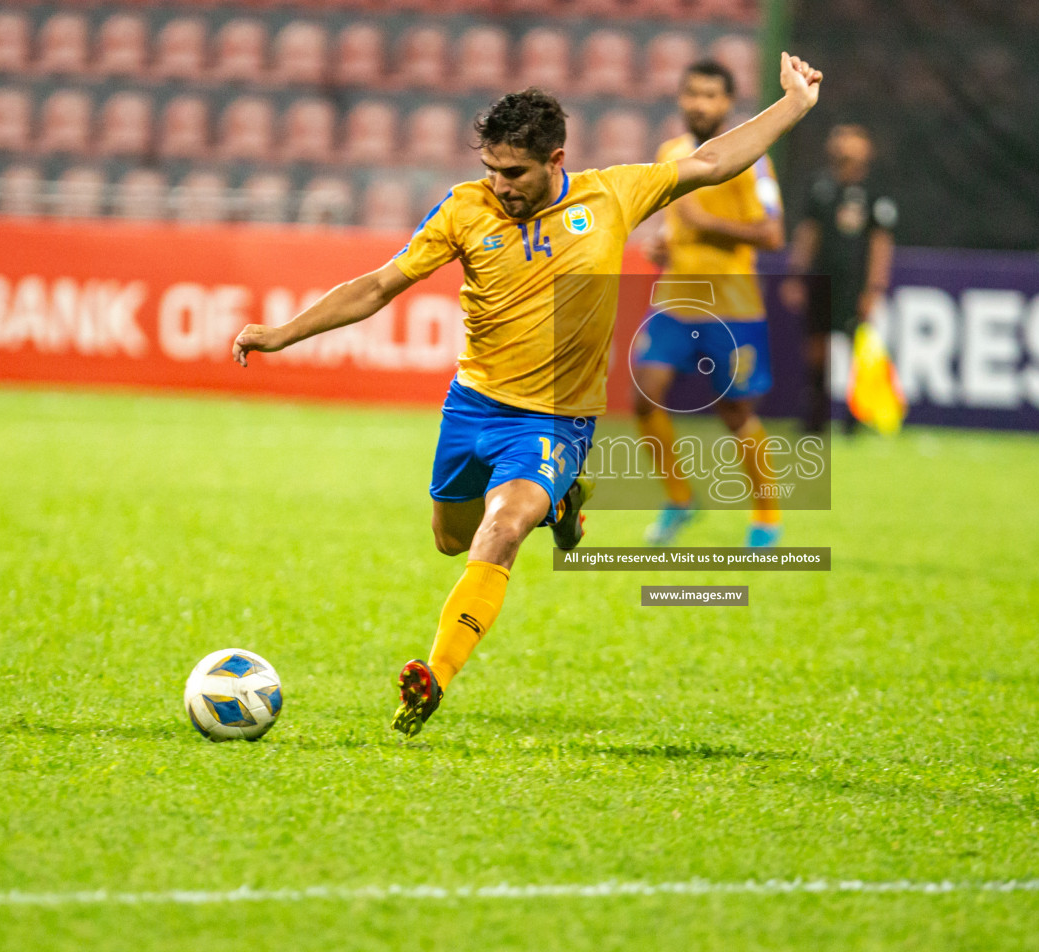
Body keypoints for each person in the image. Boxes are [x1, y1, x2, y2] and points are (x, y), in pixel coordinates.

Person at [231, 53, 824, 737]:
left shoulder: (611, 196)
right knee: (450, 540)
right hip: (472, 405)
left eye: (513, 172)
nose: (500, 185)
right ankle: (565, 504)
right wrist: (284, 333)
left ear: (554, 159)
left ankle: (433, 678)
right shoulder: (464, 209)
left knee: (503, 527)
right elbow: (378, 284)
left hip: (554, 418)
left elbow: (713, 163)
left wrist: (792, 106)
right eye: (491, 170)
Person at [634, 58, 787, 547]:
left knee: (736, 414)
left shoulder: (751, 159)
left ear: (727, 104)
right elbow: (674, 222)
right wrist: (661, 241)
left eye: (710, 95)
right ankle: (680, 498)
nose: (699, 103)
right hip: (679, 296)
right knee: (644, 392)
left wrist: (706, 224)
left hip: (733, 304)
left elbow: (772, 233)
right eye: (692, 93)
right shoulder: (671, 152)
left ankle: (766, 516)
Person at [783, 124, 896, 434]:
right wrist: (795, 275)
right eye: (842, 141)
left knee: (856, 349)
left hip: (854, 282)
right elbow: (807, 233)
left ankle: (854, 417)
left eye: (855, 142)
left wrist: (874, 287)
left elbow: (880, 243)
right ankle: (815, 415)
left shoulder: (875, 193)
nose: (847, 148)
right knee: (816, 347)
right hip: (821, 278)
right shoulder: (821, 187)